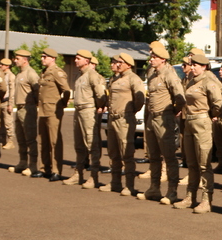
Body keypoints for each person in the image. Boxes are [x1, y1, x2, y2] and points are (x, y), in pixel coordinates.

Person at [174, 52, 222, 212]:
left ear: (204, 66)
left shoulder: (209, 81)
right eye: (191, 64)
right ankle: (190, 197)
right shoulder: (191, 81)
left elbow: (218, 104)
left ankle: (206, 199)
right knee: (192, 163)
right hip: (189, 122)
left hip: (202, 121)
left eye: (195, 65)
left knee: (204, 163)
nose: (192, 67)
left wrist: (211, 117)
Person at [140, 41, 185, 203]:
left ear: (163, 60)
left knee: (169, 155)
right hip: (152, 118)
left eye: (155, 57)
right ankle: (154, 188)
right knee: (153, 155)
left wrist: (173, 111)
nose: (151, 59)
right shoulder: (152, 74)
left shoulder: (169, 74)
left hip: (164, 117)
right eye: (151, 56)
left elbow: (180, 97)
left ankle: (172, 191)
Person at [101, 53, 146, 196]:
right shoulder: (116, 78)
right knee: (113, 152)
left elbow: (140, 99)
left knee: (126, 152)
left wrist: (131, 111)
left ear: (128, 64)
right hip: (113, 118)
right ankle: (115, 182)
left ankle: (129, 185)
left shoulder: (133, 79)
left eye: (120, 62)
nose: (117, 64)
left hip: (124, 119)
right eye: (117, 62)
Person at [65, 49, 106, 187]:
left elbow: (100, 94)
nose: (75, 60)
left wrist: (98, 107)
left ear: (86, 61)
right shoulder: (79, 76)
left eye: (78, 58)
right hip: (78, 111)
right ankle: (79, 174)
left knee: (91, 143)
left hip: (89, 111)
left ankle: (93, 176)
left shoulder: (92, 75)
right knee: (79, 144)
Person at [38, 48, 71, 180]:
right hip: (43, 110)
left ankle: (56, 170)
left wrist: (63, 102)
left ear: (53, 58)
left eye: (44, 57)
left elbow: (66, 90)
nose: (42, 59)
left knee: (54, 141)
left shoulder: (56, 72)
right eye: (42, 56)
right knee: (43, 140)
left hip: (53, 111)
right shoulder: (44, 72)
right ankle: (44, 168)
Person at [8, 49, 41, 175]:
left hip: (28, 108)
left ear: (25, 60)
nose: (15, 60)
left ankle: (32, 166)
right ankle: (22, 162)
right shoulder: (20, 73)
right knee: (21, 137)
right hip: (20, 108)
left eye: (17, 58)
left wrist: (35, 104)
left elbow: (38, 90)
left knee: (30, 138)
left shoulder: (30, 73)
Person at [0, 58, 16, 150]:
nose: (0, 66)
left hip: (6, 101)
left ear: (7, 66)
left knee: (8, 122)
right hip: (0, 101)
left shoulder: (11, 76)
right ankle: (2, 140)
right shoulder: (1, 75)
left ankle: (10, 141)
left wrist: (10, 104)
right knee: (0, 122)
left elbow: (12, 91)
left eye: (2, 64)